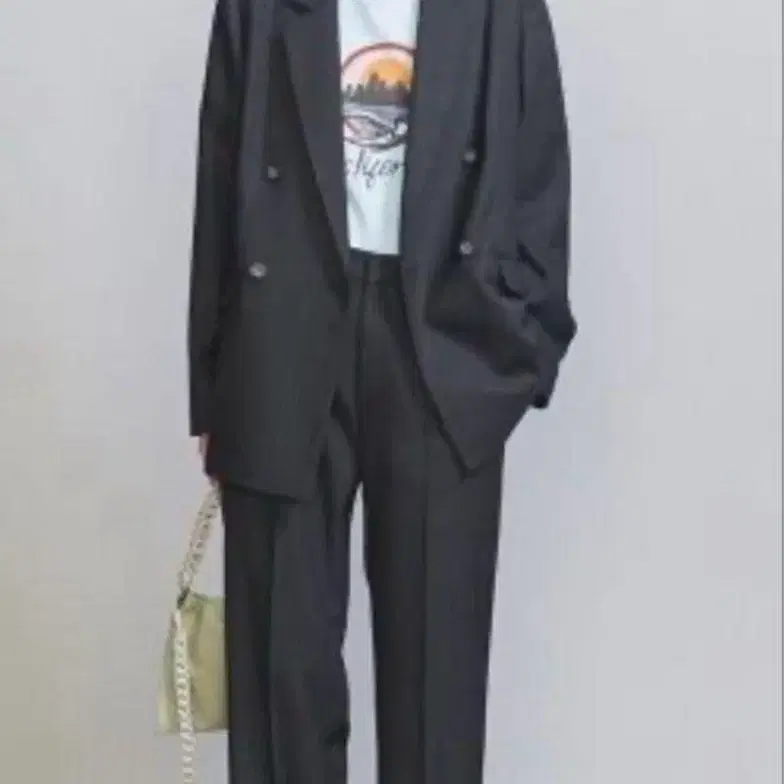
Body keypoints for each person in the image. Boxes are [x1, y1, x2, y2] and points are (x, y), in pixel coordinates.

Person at [187, 0, 576, 780]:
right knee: (280, 678)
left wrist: (519, 350)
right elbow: (220, 175)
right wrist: (214, 384)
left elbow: (539, 170)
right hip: (281, 341)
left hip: (443, 339)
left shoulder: (500, 11)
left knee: (437, 697)